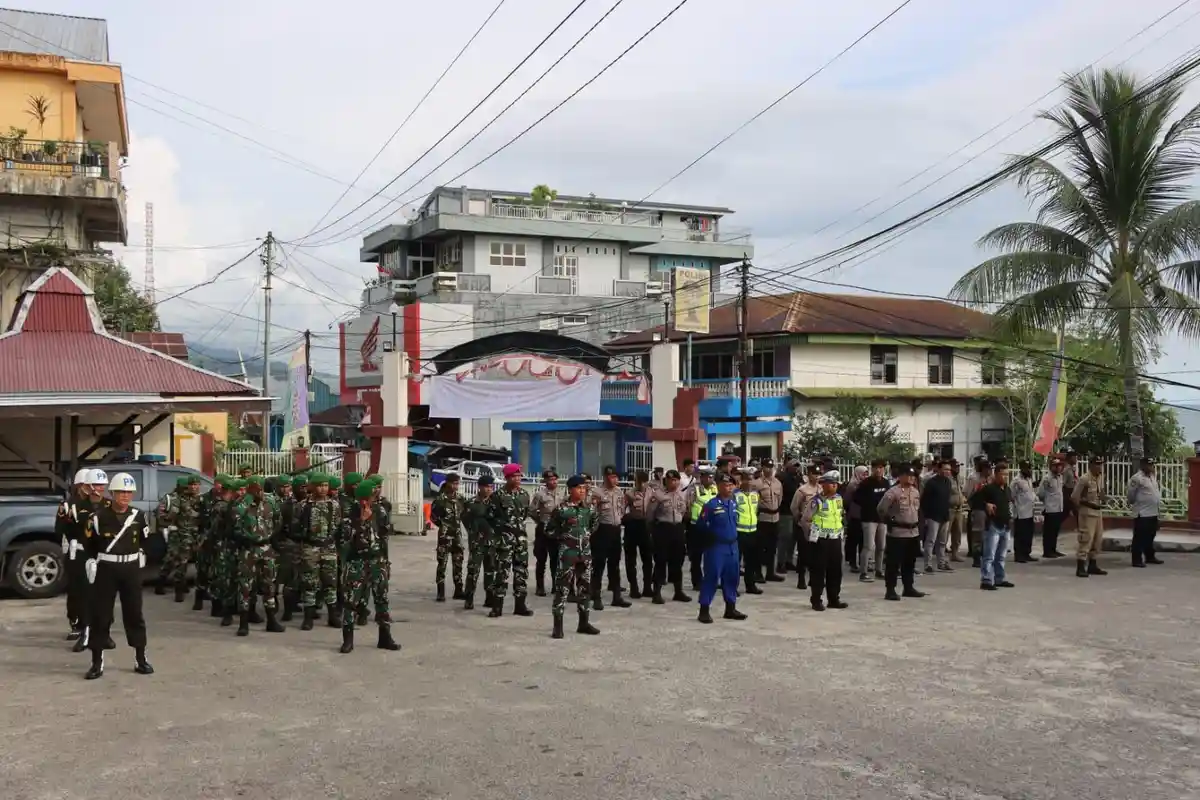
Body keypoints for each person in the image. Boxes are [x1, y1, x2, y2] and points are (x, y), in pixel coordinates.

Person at [82, 472, 152, 680]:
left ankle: (140, 658)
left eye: (129, 492)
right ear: (112, 493)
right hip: (106, 569)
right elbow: (89, 545)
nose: (125, 496)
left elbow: (145, 540)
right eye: (121, 492)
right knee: (101, 615)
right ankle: (96, 662)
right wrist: (91, 563)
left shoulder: (138, 516)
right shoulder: (97, 518)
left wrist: (141, 556)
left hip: (130, 569)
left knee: (134, 615)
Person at [339, 480, 401, 653]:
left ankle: (385, 637)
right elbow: (345, 540)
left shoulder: (380, 511)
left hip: (376, 561)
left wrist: (386, 562)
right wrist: (361, 521)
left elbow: (384, 538)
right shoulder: (348, 514)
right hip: (356, 562)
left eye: (374, 496)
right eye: (370, 496)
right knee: (351, 601)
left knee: (382, 599)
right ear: (361, 498)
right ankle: (348, 640)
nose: (373, 499)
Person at [548, 475, 601, 639]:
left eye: (584, 488)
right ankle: (558, 626)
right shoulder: (562, 509)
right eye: (579, 488)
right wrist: (564, 536)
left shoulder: (589, 509)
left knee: (585, 588)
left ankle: (583, 623)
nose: (583, 491)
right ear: (571, 489)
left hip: (584, 554)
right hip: (568, 554)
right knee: (562, 589)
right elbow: (550, 530)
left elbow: (594, 525)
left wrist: (583, 538)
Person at [232, 476, 286, 637]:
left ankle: (271, 620)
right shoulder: (241, 504)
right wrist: (248, 499)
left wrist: (269, 537)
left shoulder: (270, 502)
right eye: (255, 488)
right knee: (245, 586)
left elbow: (278, 521)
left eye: (261, 488)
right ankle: (243, 623)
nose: (259, 491)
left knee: (269, 585)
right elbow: (234, 524)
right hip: (248, 550)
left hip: (267, 549)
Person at [695, 473, 747, 624]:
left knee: (732, 577)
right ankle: (704, 610)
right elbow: (700, 525)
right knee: (712, 577)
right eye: (725, 485)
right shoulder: (711, 505)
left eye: (731, 485)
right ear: (718, 486)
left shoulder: (733, 503)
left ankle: (730, 608)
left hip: (732, 546)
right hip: (716, 546)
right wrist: (708, 538)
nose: (729, 487)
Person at [486, 463, 533, 618]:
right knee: (502, 573)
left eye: (519, 476)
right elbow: (490, 517)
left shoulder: (524, 495)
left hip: (520, 540)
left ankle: (520, 605)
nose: (518, 478)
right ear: (507, 478)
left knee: (521, 572)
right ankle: (497, 607)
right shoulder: (497, 496)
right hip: (504, 540)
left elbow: (525, 514)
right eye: (514, 476)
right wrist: (503, 529)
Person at [297, 473, 342, 629]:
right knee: (309, 583)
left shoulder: (334, 505)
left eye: (325, 485)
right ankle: (308, 618)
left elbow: (337, 526)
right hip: (310, 547)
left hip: (328, 547)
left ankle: (332, 616)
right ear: (312, 487)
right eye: (319, 485)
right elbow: (297, 526)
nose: (323, 489)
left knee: (330, 583)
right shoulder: (304, 505)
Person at [876, 466, 924, 602]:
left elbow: (917, 510)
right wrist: (889, 521)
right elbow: (881, 509)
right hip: (897, 533)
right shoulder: (893, 492)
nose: (911, 478)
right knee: (893, 563)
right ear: (901, 476)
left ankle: (908, 587)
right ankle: (890, 590)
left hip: (913, 532)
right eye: (908, 475)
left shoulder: (915, 492)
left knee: (910, 562)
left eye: (913, 476)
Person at [801, 470, 847, 611]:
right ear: (824, 485)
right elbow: (805, 520)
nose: (834, 486)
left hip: (835, 540)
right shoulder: (816, 501)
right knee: (818, 571)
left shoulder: (839, 499)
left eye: (835, 484)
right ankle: (816, 600)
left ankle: (834, 599)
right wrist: (811, 536)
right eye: (831, 484)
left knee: (835, 571)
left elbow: (840, 516)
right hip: (820, 540)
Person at [590, 466, 631, 610]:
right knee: (599, 564)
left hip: (615, 529)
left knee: (614, 564)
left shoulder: (619, 492)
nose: (613, 479)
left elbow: (622, 509)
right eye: (610, 477)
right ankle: (596, 596)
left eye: (615, 476)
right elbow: (592, 512)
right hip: (602, 530)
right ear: (605, 477)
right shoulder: (597, 492)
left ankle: (617, 596)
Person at [647, 468, 690, 604]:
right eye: (671, 480)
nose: (674, 483)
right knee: (660, 560)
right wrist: (653, 531)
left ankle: (678, 591)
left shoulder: (680, 495)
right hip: (662, 529)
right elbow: (650, 515)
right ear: (666, 481)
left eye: (676, 480)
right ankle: (657, 592)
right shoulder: (658, 495)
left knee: (678, 560)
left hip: (677, 528)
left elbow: (683, 511)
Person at [973, 462, 1015, 591]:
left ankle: (999, 578)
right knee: (989, 555)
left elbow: (1009, 504)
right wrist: (986, 505)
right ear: (996, 475)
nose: (1005, 477)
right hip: (993, 525)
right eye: (1002, 474)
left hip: (1005, 525)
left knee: (1001, 555)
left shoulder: (1007, 489)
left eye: (1007, 475)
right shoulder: (988, 488)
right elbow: (974, 501)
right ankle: (986, 579)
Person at [162, 474, 203, 603]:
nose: (194, 487)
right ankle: (179, 590)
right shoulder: (180, 499)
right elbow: (170, 516)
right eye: (191, 485)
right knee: (182, 563)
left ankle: (201, 591)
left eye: (196, 485)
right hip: (183, 536)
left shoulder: (202, 500)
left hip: (198, 536)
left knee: (201, 564)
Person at [275, 474, 307, 621]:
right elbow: (277, 528)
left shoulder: (310, 504)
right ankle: (287, 610)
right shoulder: (286, 506)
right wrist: (280, 545)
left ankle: (302, 607)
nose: (305, 490)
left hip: (307, 545)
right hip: (290, 545)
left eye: (307, 487)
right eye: (302, 487)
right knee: (289, 580)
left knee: (305, 579)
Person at [462, 474, 496, 611]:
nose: (489, 489)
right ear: (480, 487)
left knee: (490, 571)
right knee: (473, 571)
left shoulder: (495, 503)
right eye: (486, 486)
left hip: (492, 542)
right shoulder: (471, 503)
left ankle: (490, 598)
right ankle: (469, 599)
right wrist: (474, 532)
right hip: (477, 543)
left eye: (490, 487)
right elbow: (465, 520)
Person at [852, 460, 890, 582]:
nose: (878, 470)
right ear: (872, 469)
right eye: (876, 468)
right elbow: (856, 498)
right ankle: (863, 572)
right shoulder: (866, 483)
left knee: (881, 546)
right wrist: (868, 505)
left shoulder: (885, 482)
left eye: (881, 468)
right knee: (868, 546)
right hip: (869, 518)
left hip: (882, 519)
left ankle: (879, 570)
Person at [430, 473, 465, 602]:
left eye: (457, 483)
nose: (456, 486)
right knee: (442, 563)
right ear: (448, 483)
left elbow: (465, 514)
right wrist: (443, 525)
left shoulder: (460, 499)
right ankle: (440, 592)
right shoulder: (440, 499)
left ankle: (459, 590)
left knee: (458, 562)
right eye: (453, 483)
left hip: (457, 535)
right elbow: (433, 517)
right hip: (445, 536)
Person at [530, 470, 565, 597]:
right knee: (541, 559)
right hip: (543, 529)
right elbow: (532, 511)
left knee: (555, 559)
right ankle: (540, 587)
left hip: (556, 530)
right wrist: (540, 521)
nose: (553, 482)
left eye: (555, 479)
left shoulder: (562, 494)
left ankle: (556, 585)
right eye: (550, 479)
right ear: (545, 481)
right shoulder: (539, 495)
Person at [1072, 456, 1108, 578]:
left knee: (1097, 539)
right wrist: (1081, 508)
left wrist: (1104, 498)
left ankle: (1093, 564)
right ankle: (1081, 566)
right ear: (1091, 465)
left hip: (1098, 512)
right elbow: (1075, 497)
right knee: (1086, 539)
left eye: (1101, 464)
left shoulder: (1100, 477)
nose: (1099, 467)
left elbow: (1101, 492)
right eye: (1097, 465)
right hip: (1087, 512)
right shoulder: (1084, 479)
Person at [684, 467, 717, 590]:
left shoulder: (715, 488)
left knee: (712, 556)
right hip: (696, 526)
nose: (710, 479)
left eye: (711, 477)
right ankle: (697, 582)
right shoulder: (694, 489)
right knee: (696, 557)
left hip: (712, 527)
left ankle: (710, 580)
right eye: (707, 476)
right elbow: (688, 505)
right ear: (701, 477)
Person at [623, 470, 654, 599]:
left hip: (646, 526)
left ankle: (647, 587)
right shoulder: (629, 494)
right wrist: (626, 518)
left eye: (643, 481)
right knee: (631, 559)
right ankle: (634, 587)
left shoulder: (652, 493)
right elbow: (621, 510)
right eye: (638, 481)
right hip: (632, 526)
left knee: (647, 559)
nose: (641, 484)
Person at [789, 465, 821, 590]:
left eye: (818, 474)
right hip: (804, 525)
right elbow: (794, 507)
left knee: (816, 554)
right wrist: (799, 520)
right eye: (814, 474)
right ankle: (801, 578)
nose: (817, 477)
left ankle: (813, 579)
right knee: (803, 553)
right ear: (809, 475)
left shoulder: (821, 489)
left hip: (817, 525)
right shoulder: (802, 490)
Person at [753, 458, 785, 583]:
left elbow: (780, 499)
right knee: (760, 547)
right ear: (762, 468)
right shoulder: (757, 483)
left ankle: (770, 572)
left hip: (775, 518)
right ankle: (758, 573)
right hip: (762, 518)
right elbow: (754, 501)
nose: (769, 469)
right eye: (767, 467)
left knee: (772, 547)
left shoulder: (778, 483)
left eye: (771, 467)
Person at [1128, 457, 1163, 567]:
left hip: (1153, 512)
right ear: (1142, 465)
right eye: (1148, 465)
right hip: (1142, 513)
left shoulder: (1152, 477)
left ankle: (1150, 556)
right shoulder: (1136, 478)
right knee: (1139, 537)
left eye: (1152, 465)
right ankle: (1137, 560)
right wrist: (1134, 502)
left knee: (1150, 536)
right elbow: (1131, 494)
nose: (1150, 467)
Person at [919, 460, 954, 573]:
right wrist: (926, 516)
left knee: (943, 542)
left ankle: (941, 563)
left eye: (949, 469)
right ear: (938, 469)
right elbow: (924, 500)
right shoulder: (931, 483)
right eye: (945, 469)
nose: (947, 472)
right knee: (931, 541)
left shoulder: (948, 482)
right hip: (933, 516)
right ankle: (927, 564)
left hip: (945, 515)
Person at [735, 469, 762, 594]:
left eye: (751, 479)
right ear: (741, 480)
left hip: (753, 531)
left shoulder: (755, 494)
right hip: (739, 532)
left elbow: (756, 511)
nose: (749, 482)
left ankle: (750, 585)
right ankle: (733, 587)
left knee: (751, 561)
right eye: (746, 479)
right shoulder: (735, 494)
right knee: (735, 562)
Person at [1037, 459, 1067, 558]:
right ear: (1051, 467)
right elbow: (1040, 493)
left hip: (1058, 508)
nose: (1058, 467)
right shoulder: (1047, 478)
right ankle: (1047, 551)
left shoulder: (1059, 477)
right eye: (1056, 466)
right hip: (1050, 508)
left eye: (1060, 465)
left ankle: (1053, 549)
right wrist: (1047, 502)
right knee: (1049, 531)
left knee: (1055, 530)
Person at [777, 459, 802, 573]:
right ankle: (780, 563)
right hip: (785, 511)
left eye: (798, 466)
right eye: (794, 466)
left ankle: (789, 560)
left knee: (793, 538)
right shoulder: (783, 478)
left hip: (796, 511)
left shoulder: (798, 478)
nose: (796, 468)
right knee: (785, 537)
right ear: (788, 467)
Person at [1011, 461, 1038, 563]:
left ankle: (1027, 553)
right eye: (1027, 468)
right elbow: (1012, 496)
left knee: (1028, 534)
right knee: (1020, 535)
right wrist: (1017, 506)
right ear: (1021, 468)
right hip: (1021, 512)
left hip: (1030, 511)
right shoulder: (1016, 481)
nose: (1029, 470)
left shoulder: (1029, 479)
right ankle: (1019, 555)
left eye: (1030, 468)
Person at [842, 465, 867, 573]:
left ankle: (862, 562)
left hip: (864, 515)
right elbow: (846, 501)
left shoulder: (866, 484)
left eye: (866, 473)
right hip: (854, 515)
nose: (865, 476)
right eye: (863, 473)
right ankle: (853, 562)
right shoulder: (852, 485)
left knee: (863, 540)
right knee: (853, 540)